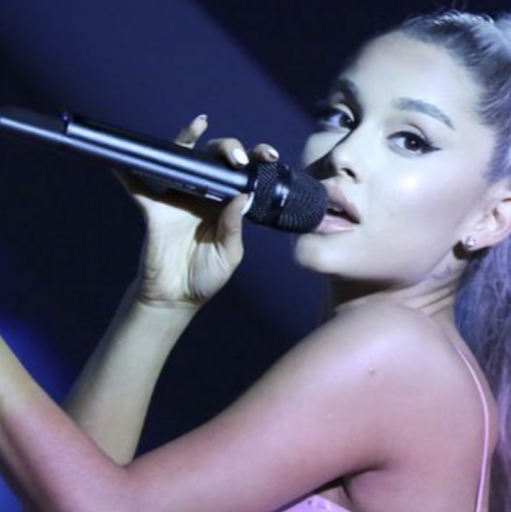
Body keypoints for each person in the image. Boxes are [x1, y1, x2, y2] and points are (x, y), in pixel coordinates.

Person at [0, 8, 510, 512]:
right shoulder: (429, 363)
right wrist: (160, 304)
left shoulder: (396, 349)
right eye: (341, 117)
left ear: (493, 216)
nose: (342, 155)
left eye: (412, 140)